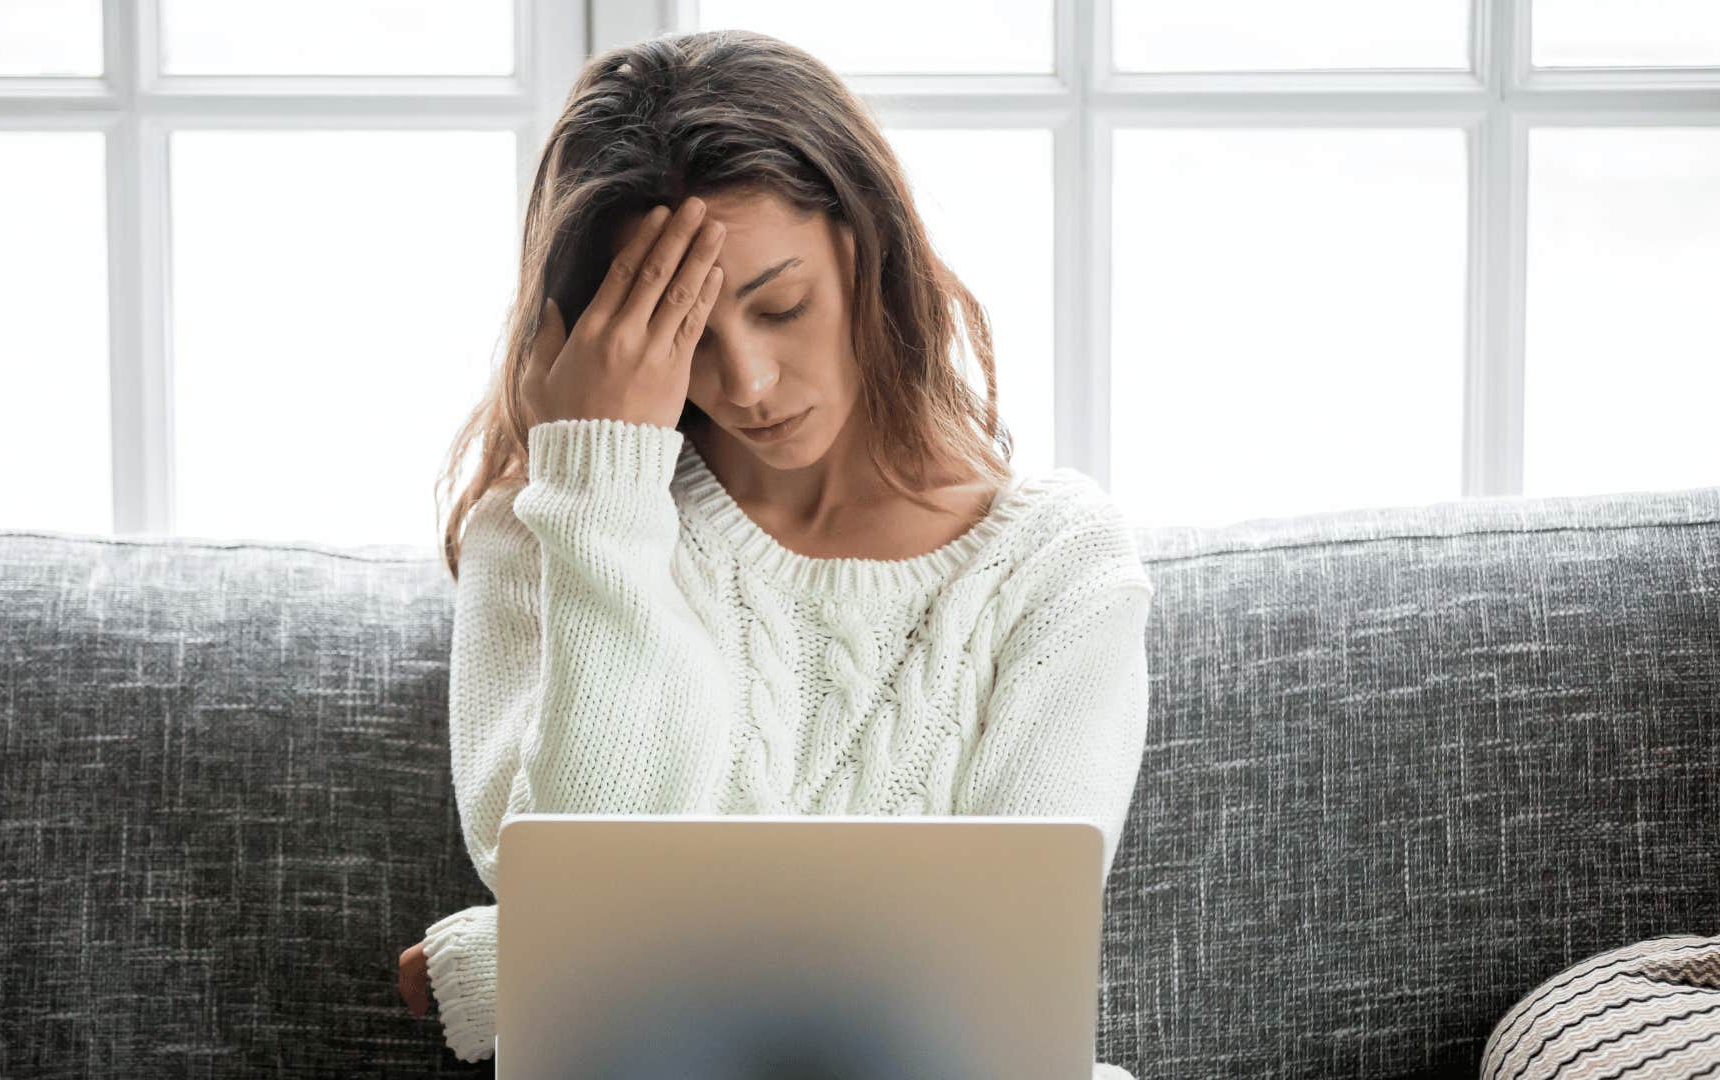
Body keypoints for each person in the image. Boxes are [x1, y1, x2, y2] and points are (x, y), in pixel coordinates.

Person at [397, 28, 1153, 1080]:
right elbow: (580, 886)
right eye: (686, 336)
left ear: (865, 245)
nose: (745, 382)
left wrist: (504, 967)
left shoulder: (1059, 564)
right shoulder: (551, 526)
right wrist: (601, 491)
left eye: (780, 305)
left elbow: (995, 979)